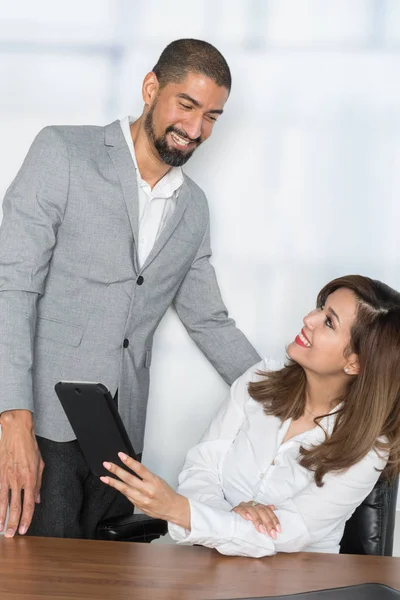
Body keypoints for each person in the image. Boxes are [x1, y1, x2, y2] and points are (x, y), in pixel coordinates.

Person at [0, 39, 261, 540]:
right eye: (187, 105)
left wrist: (290, 396)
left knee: (105, 586)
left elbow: (209, 320)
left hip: (120, 440)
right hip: (41, 425)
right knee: (37, 582)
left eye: (212, 116)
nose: (196, 128)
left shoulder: (194, 208)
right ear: (150, 88)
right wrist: (14, 421)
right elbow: (13, 285)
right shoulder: (63, 152)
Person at [101, 275, 400, 557]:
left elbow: (288, 534)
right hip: (209, 568)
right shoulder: (259, 380)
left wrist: (181, 511)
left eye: (329, 322)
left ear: (355, 363)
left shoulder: (369, 448)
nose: (309, 319)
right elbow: (201, 467)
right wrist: (229, 518)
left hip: (299, 585)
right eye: (320, 308)